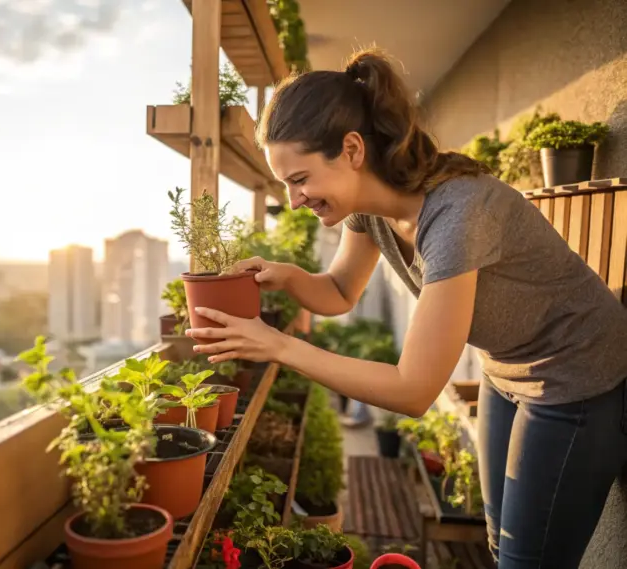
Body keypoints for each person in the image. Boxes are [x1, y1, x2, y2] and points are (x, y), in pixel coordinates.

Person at [185, 47, 627, 569]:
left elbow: (414, 390)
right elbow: (340, 291)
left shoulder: (457, 213)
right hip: (507, 370)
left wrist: (280, 345)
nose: (296, 198)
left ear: (351, 149)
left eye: (299, 178)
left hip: (575, 375)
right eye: (286, 183)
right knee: (498, 545)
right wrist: (288, 277)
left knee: (526, 561)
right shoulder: (369, 210)